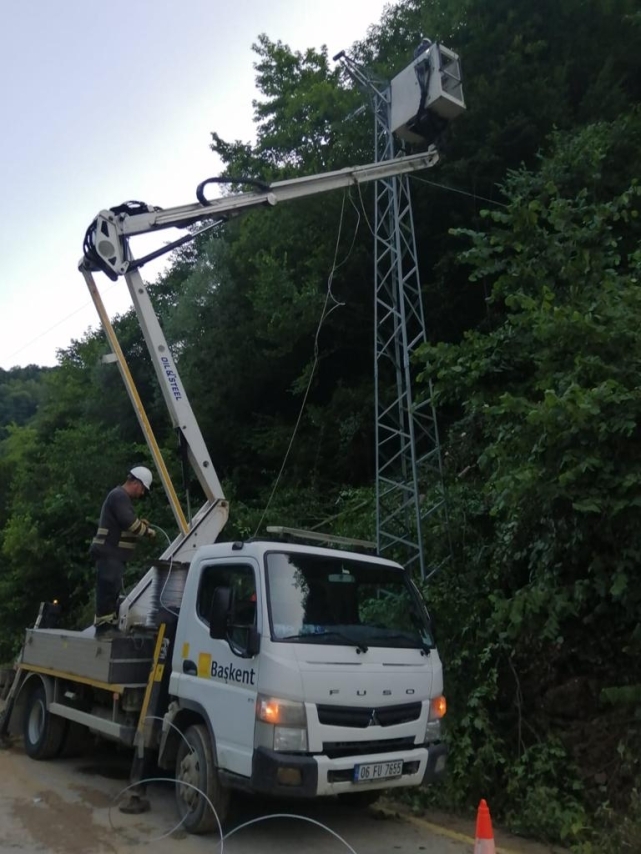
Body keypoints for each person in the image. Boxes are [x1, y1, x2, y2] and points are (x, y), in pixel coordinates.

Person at [89, 466, 156, 637]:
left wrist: (140, 523)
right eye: (142, 489)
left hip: (113, 554)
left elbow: (124, 523)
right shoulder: (119, 496)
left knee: (112, 589)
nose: (141, 494)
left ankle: (109, 625)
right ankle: (104, 628)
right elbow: (129, 522)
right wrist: (146, 531)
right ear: (136, 483)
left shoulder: (119, 497)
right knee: (108, 588)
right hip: (109, 553)